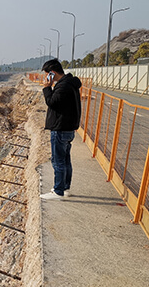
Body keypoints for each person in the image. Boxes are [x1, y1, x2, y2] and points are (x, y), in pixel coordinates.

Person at [40, 59, 82, 200]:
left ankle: (58, 191)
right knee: (65, 161)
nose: (46, 78)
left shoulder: (63, 86)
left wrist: (47, 87)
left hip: (61, 129)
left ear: (52, 73)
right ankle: (65, 188)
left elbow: (52, 102)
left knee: (58, 161)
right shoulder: (70, 84)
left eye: (47, 74)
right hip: (68, 129)